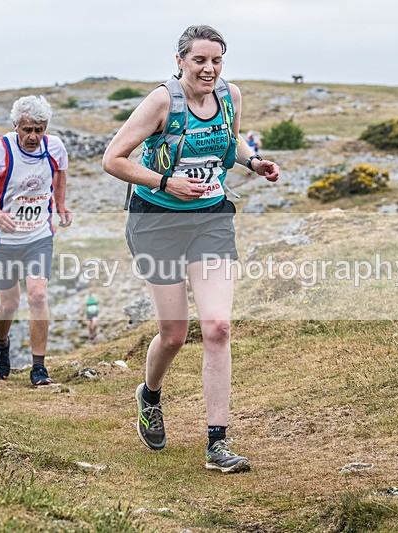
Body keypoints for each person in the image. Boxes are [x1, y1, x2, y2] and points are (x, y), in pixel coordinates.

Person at [102, 25, 280, 473]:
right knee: (175, 334)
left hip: (211, 218)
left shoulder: (230, 96)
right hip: (157, 221)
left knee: (218, 327)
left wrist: (254, 161)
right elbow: (113, 159)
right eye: (200, 60)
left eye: (217, 60)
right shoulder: (162, 102)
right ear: (180, 61)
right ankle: (150, 395)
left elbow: (230, 140)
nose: (209, 69)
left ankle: (217, 443)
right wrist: (167, 182)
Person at [0, 95, 73, 386]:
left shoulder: (55, 147)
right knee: (9, 303)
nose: (34, 137)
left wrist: (60, 205)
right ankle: (1, 343)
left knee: (37, 295)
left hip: (39, 236)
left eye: (39, 129)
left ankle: (39, 366)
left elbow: (60, 172)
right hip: (3, 239)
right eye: (27, 130)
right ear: (16, 127)